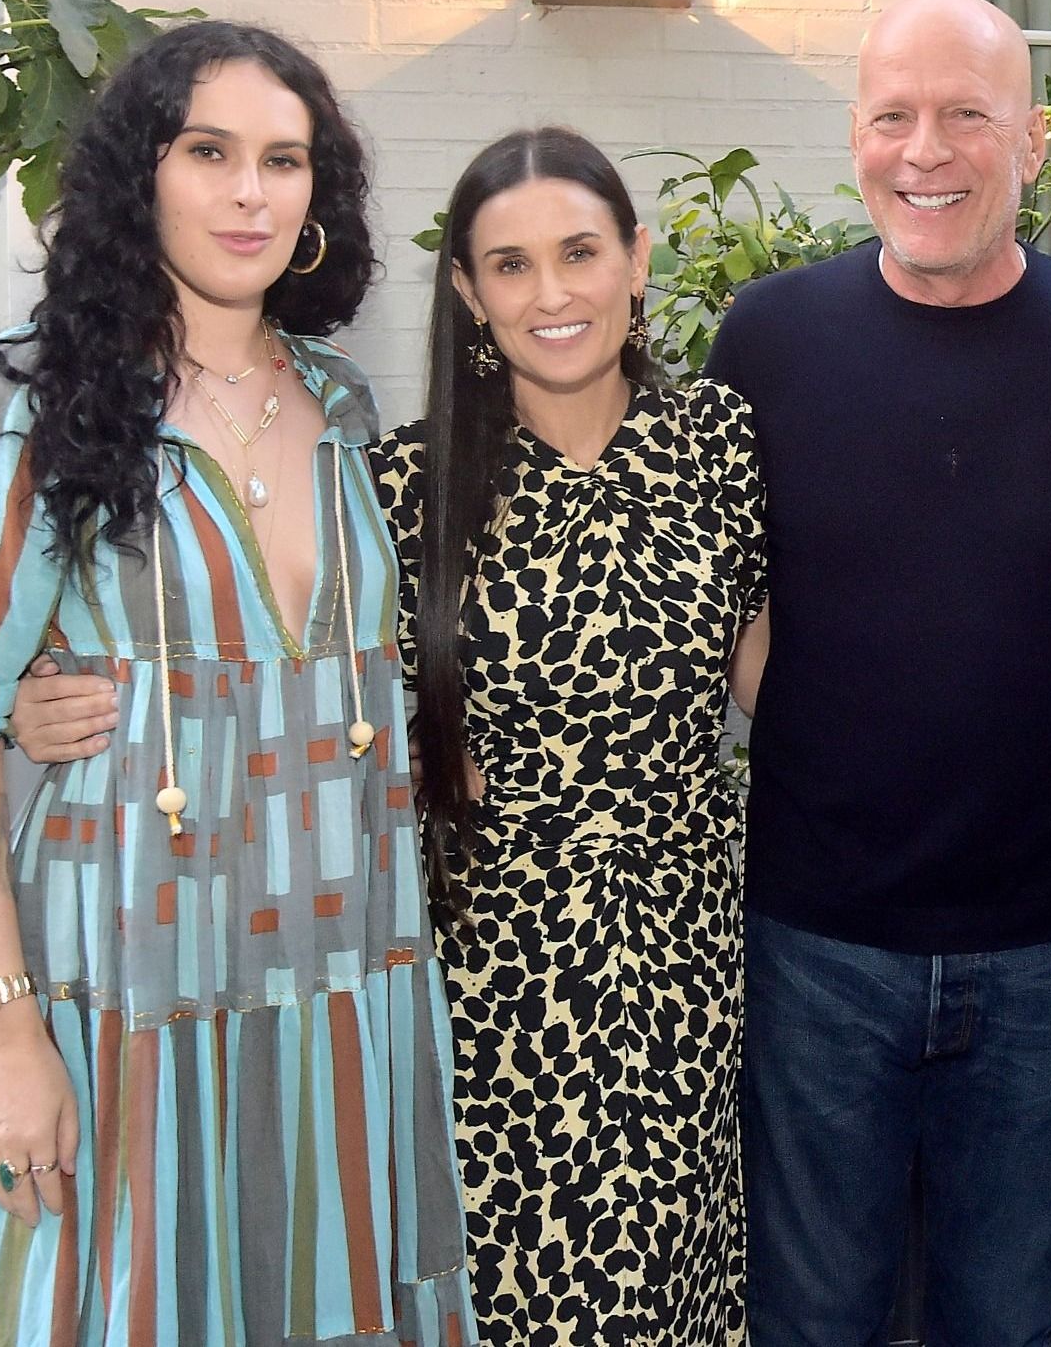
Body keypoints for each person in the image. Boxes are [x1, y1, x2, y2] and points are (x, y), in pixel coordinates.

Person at [0, 21, 475, 1346]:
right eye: (210, 152)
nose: (251, 193)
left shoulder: (346, 406)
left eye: (284, 159)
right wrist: (5, 1032)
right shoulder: (28, 403)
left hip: (337, 977)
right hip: (125, 980)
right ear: (139, 174)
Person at [703, 0, 1051, 1343]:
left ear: (1033, 141)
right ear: (855, 137)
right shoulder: (765, 343)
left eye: (965, 115)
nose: (925, 149)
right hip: (814, 945)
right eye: (893, 116)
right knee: (812, 1320)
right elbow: (707, 595)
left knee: (1016, 1320)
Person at [367, 128, 766, 1344]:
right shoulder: (402, 482)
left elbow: (779, 679)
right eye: (510, 265)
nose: (551, 294)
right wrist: (62, 693)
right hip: (494, 969)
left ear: (636, 260)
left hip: (689, 945)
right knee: (515, 1292)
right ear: (466, 290)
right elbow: (327, 705)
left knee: (676, 1282)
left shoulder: (721, 446)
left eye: (580, 252)